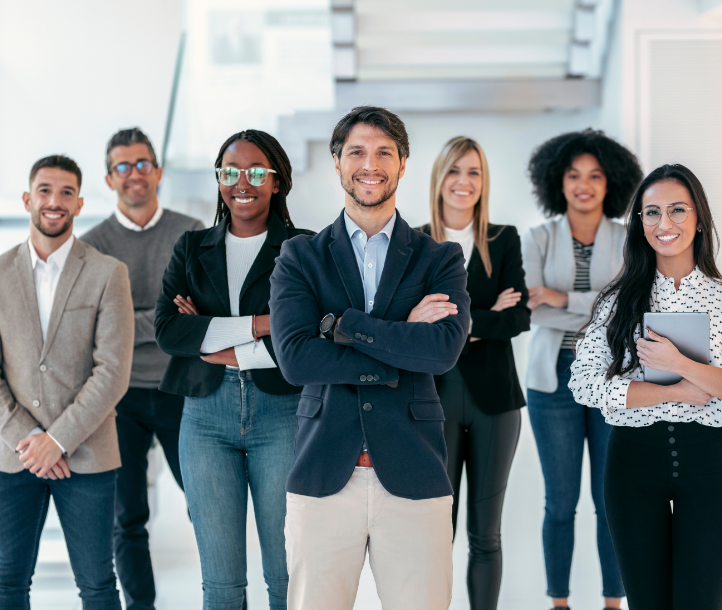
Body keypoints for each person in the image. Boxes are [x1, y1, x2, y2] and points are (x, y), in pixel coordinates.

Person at [269, 106, 471, 610]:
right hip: (323, 473)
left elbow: (443, 351)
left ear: (403, 164)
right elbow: (295, 358)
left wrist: (343, 326)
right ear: (337, 162)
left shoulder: (439, 259)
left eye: (385, 152)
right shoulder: (300, 256)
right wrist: (403, 340)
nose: (370, 164)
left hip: (414, 470)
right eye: (356, 151)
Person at [155, 130, 313, 610]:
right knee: (221, 586)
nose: (241, 182)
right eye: (230, 171)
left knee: (287, 577)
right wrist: (264, 323)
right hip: (205, 415)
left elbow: (308, 338)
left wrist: (211, 335)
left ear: (277, 181)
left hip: (282, 412)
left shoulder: (304, 248)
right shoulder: (191, 246)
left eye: (255, 172)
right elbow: (169, 332)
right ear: (219, 180)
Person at [570, 164, 722, 610]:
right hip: (633, 465)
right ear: (640, 223)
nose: (665, 224)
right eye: (651, 213)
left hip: (711, 465)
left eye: (677, 210)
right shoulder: (618, 300)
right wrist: (675, 390)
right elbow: (583, 385)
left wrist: (677, 363)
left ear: (699, 217)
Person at [0, 155, 134, 609]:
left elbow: (113, 371)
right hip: (11, 456)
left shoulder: (108, 272)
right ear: (27, 199)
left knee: (97, 584)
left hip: (88, 454)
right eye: (44, 190)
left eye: (65, 193)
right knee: (6, 582)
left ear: (78, 203)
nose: (54, 202)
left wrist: (57, 439)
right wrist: (31, 438)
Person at [81, 128, 204, 610]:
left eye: (142, 164)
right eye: (123, 167)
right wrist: (167, 318)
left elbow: (203, 316)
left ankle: (221, 596)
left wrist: (127, 318)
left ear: (157, 170)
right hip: (120, 395)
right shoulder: (91, 245)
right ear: (110, 179)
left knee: (208, 508)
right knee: (126, 517)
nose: (135, 174)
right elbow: (96, 328)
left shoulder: (191, 231)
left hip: (183, 387)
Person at [521, 129, 643, 610]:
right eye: (574, 175)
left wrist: (563, 299)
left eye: (594, 175)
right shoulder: (537, 237)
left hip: (613, 381)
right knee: (560, 502)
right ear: (559, 182)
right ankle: (560, 603)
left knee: (611, 501)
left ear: (610, 181)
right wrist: (599, 305)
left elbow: (630, 308)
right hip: (554, 382)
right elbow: (534, 308)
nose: (584, 185)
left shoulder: (630, 238)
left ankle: (614, 602)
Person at [418, 136, 530, 610]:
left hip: (496, 403)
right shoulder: (415, 241)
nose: (464, 182)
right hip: (431, 401)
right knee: (432, 535)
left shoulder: (503, 239)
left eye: (474, 173)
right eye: (455, 171)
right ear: (439, 178)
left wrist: (455, 321)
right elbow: (411, 324)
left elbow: (518, 319)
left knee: (486, 534)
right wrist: (485, 316)